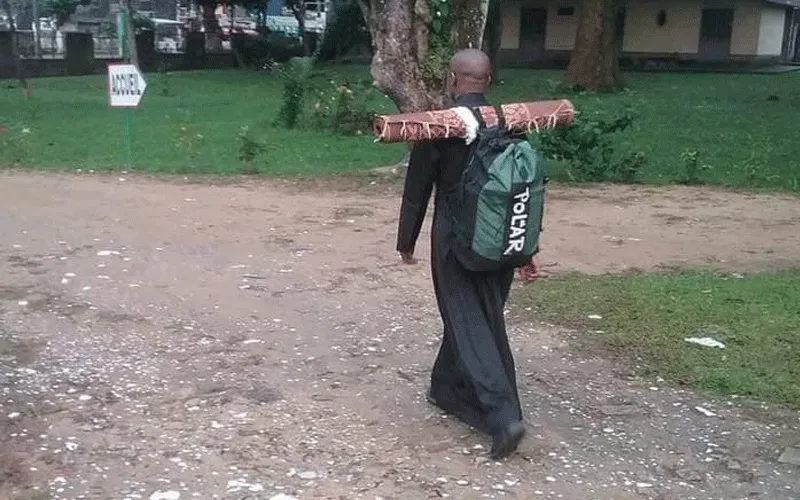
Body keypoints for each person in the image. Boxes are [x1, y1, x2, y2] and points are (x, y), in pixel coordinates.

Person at [395, 49, 527, 459]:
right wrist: (525, 248)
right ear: (488, 81)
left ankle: (504, 417)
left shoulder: (439, 126)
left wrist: (406, 242)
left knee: (470, 323)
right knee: (478, 316)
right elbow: (522, 188)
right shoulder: (510, 124)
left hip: (455, 240)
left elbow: (418, 190)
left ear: (453, 80)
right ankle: (444, 389)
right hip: (503, 239)